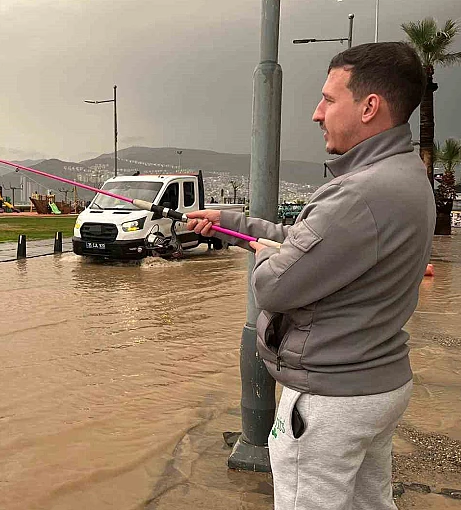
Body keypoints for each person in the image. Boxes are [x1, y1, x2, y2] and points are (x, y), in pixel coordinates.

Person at [187, 42, 433, 510]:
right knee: (369, 503)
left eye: (328, 99)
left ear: (369, 107)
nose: (316, 113)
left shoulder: (359, 194)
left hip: (330, 399)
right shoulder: (404, 176)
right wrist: (233, 224)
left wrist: (263, 257)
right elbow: (304, 238)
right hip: (376, 385)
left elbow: (273, 287)